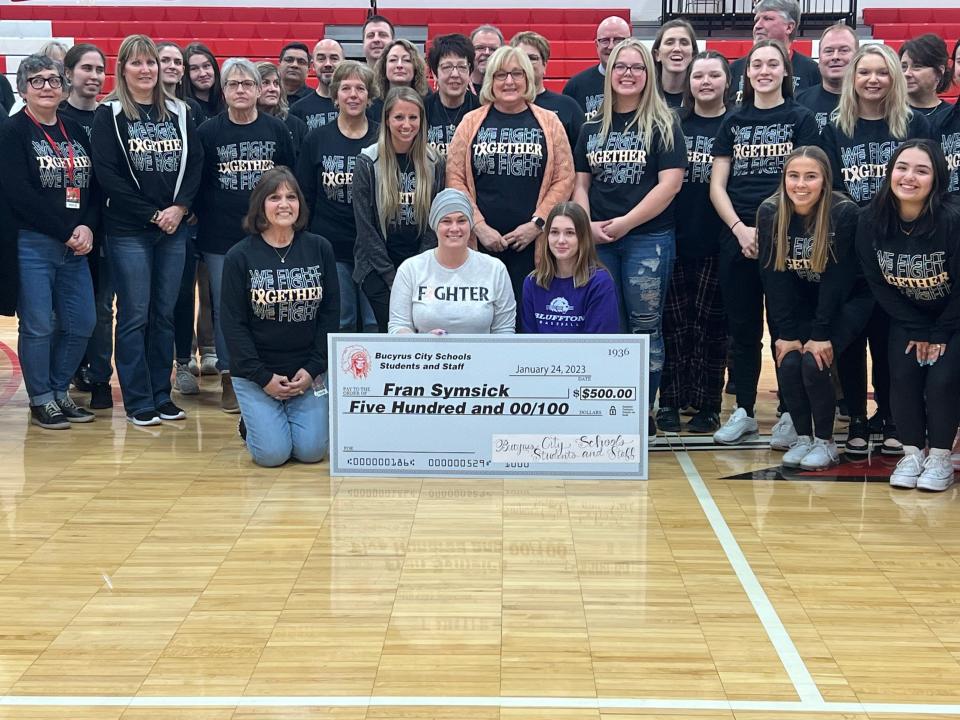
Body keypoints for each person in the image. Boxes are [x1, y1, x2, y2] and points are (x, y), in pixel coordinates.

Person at [572, 38, 686, 437]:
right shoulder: (591, 126)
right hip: (599, 238)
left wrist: (625, 223)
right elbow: (580, 185)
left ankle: (643, 412)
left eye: (637, 67)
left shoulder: (665, 124)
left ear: (648, 74)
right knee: (607, 324)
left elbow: (669, 185)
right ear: (610, 72)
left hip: (647, 241)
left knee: (644, 327)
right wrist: (587, 225)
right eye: (621, 66)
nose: (628, 73)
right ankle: (609, 407)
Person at [709, 39, 819, 446]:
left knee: (786, 326)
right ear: (747, 73)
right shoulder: (733, 121)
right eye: (757, 64)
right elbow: (717, 185)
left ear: (785, 72)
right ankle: (745, 410)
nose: (765, 70)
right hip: (738, 238)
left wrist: (774, 232)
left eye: (773, 63)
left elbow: (809, 185)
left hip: (788, 239)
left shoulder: (801, 118)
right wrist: (740, 228)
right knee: (742, 328)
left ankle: (791, 412)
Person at [822, 43, 930, 455]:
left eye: (881, 72)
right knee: (850, 340)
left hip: (901, 249)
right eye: (864, 72)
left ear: (894, 79)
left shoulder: (914, 124)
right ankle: (856, 420)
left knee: (889, 340)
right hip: (850, 250)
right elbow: (831, 190)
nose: (872, 80)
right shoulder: (835, 129)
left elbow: (929, 180)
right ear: (853, 79)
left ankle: (889, 417)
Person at [90, 35, 203, 426]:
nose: (145, 70)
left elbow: (195, 166)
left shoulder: (181, 112)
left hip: (174, 229)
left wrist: (181, 207)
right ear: (123, 69)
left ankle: (161, 393)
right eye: (136, 63)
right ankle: (138, 399)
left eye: (151, 63)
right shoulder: (110, 114)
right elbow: (109, 176)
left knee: (166, 313)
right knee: (135, 314)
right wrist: (156, 214)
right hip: (128, 230)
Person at [856, 140, 960, 491]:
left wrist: (941, 333)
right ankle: (912, 453)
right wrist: (918, 327)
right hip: (909, 317)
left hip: (953, 317)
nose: (909, 177)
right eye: (902, 168)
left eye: (921, 170)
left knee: (943, 381)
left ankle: (941, 458)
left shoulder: (952, 219)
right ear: (890, 173)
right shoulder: (870, 218)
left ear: (937, 179)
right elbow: (876, 282)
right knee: (901, 376)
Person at [0, 54, 97, 429]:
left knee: (82, 322)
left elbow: (92, 186)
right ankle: (41, 398)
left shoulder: (73, 129)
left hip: (75, 245)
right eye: (36, 81)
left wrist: (87, 226)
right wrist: (66, 231)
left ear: (64, 86)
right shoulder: (11, 132)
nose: (46, 87)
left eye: (53, 80)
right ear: (23, 89)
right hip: (32, 244)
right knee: (38, 324)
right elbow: (19, 194)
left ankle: (59, 391)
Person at [220, 167, 339, 468]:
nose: (284, 204)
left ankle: (275, 419)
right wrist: (263, 378)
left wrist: (312, 370)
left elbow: (330, 316)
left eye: (291, 197)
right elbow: (233, 325)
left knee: (311, 453)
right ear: (261, 204)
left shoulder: (320, 248)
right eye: (274, 197)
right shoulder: (239, 256)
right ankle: (253, 423)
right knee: (272, 456)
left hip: (306, 372)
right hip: (257, 372)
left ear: (300, 204)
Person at [196, 58, 296, 413]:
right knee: (229, 309)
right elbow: (199, 184)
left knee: (268, 304)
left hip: (270, 236)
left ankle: (268, 370)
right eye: (233, 84)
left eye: (246, 84)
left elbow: (290, 181)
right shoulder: (208, 133)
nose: (240, 90)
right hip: (220, 238)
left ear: (258, 89)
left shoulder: (276, 130)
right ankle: (231, 376)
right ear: (223, 92)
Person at [758, 147, 868, 470]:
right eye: (793, 176)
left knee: (813, 361)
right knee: (789, 360)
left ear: (825, 180)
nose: (801, 185)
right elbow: (773, 277)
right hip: (804, 299)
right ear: (784, 179)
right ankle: (803, 438)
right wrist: (786, 333)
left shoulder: (844, 213)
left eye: (810, 176)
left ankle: (826, 442)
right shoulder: (770, 212)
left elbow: (839, 280)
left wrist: (820, 334)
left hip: (849, 299)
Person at [447, 45, 574, 321]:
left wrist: (537, 224)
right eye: (501, 74)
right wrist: (479, 227)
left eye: (517, 74)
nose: (509, 81)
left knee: (530, 318)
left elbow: (564, 178)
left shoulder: (549, 122)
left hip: (533, 244)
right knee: (482, 318)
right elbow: (455, 178)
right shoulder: (471, 123)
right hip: (481, 243)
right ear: (490, 80)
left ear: (528, 79)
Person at [659, 51, 731, 435]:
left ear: (726, 81)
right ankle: (670, 401)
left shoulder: (733, 124)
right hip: (672, 236)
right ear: (688, 82)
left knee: (711, 327)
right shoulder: (672, 125)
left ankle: (708, 404)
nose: (705, 82)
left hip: (717, 240)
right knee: (673, 326)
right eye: (698, 75)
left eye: (713, 75)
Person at [353, 87, 445, 332]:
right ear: (386, 120)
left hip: (423, 266)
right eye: (399, 117)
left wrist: (417, 270)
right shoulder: (367, 162)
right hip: (378, 269)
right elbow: (365, 227)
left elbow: (434, 225)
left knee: (425, 334)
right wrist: (393, 277)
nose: (407, 124)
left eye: (413, 117)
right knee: (391, 336)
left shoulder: (434, 162)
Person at [296, 61, 379, 333]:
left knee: (374, 321)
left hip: (375, 248)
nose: (353, 94)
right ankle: (336, 377)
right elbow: (305, 194)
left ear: (370, 96)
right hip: (331, 246)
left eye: (360, 88)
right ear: (335, 96)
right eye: (345, 88)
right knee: (340, 320)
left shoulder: (383, 137)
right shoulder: (316, 139)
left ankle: (376, 377)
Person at [59, 44, 115, 410]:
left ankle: (99, 378)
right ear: (69, 73)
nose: (93, 76)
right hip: (65, 228)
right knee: (61, 310)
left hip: (105, 227)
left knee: (101, 306)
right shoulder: (56, 117)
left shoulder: (109, 117)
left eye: (99, 70)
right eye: (86, 69)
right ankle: (61, 377)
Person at [160, 40, 216, 394]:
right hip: (155, 220)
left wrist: (187, 206)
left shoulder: (190, 109)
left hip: (190, 217)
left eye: (174, 61)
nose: (171, 66)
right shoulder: (124, 111)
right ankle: (174, 363)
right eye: (163, 60)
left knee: (195, 293)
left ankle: (195, 356)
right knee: (169, 297)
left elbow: (197, 164)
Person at [388, 189, 516, 334]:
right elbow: (398, 326)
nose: (454, 228)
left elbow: (505, 330)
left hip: (483, 355)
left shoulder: (495, 269)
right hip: (426, 355)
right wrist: (421, 343)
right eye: (446, 221)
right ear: (435, 225)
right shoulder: (410, 269)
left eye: (462, 220)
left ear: (470, 225)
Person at [521, 202, 618, 333]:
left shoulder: (599, 283)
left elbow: (599, 344)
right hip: (541, 354)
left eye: (570, 233)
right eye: (554, 232)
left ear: (583, 237)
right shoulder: (533, 281)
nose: (561, 240)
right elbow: (529, 340)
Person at [728, 0, 821, 105]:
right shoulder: (735, 69)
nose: (757, 26)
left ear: (789, 27)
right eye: (756, 20)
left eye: (767, 19)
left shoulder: (812, 70)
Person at [511, 31, 584, 150]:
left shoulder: (567, 107)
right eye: (521, 58)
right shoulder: (503, 106)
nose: (526, 63)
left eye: (532, 58)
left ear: (545, 65)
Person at [563, 15, 631, 119]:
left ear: (630, 43)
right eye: (605, 40)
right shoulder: (575, 86)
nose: (611, 46)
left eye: (618, 40)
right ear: (596, 45)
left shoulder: (642, 82)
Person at [424, 34, 480, 157]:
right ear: (434, 74)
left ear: (470, 72)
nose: (455, 74)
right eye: (447, 67)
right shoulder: (421, 109)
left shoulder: (481, 110)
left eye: (461, 67)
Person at [796, 24, 859, 132]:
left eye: (843, 50)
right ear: (819, 59)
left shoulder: (870, 103)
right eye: (829, 51)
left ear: (857, 57)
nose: (835, 57)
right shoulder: (798, 102)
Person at [899, 35, 954, 133]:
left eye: (917, 66)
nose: (907, 73)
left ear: (939, 71)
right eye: (903, 67)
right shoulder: (889, 113)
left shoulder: (953, 116)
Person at [257, 61, 309, 155]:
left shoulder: (296, 125)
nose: (273, 89)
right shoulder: (243, 124)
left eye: (276, 83)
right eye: (265, 83)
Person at [289, 39, 343, 130]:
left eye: (334, 58)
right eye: (321, 59)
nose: (328, 64)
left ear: (343, 63)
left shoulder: (356, 105)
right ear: (313, 66)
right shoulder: (298, 109)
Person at [371, 38, 428, 121]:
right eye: (393, 60)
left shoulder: (428, 102)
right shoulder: (371, 104)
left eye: (407, 60)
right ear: (384, 66)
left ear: (416, 67)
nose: (399, 65)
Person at [651, 19, 698, 108]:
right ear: (657, 55)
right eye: (669, 43)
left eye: (684, 43)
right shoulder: (643, 96)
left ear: (693, 55)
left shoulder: (703, 97)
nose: (677, 48)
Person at [157, 42, 207, 125]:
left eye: (177, 62)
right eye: (165, 60)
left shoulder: (192, 107)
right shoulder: (144, 105)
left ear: (183, 71)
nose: (172, 66)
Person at [183, 43, 224, 118]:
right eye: (194, 68)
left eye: (206, 66)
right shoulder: (183, 109)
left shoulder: (227, 104)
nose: (203, 74)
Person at [470, 25, 504, 96]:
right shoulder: (459, 88)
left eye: (493, 49)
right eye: (480, 48)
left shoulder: (509, 88)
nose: (487, 52)